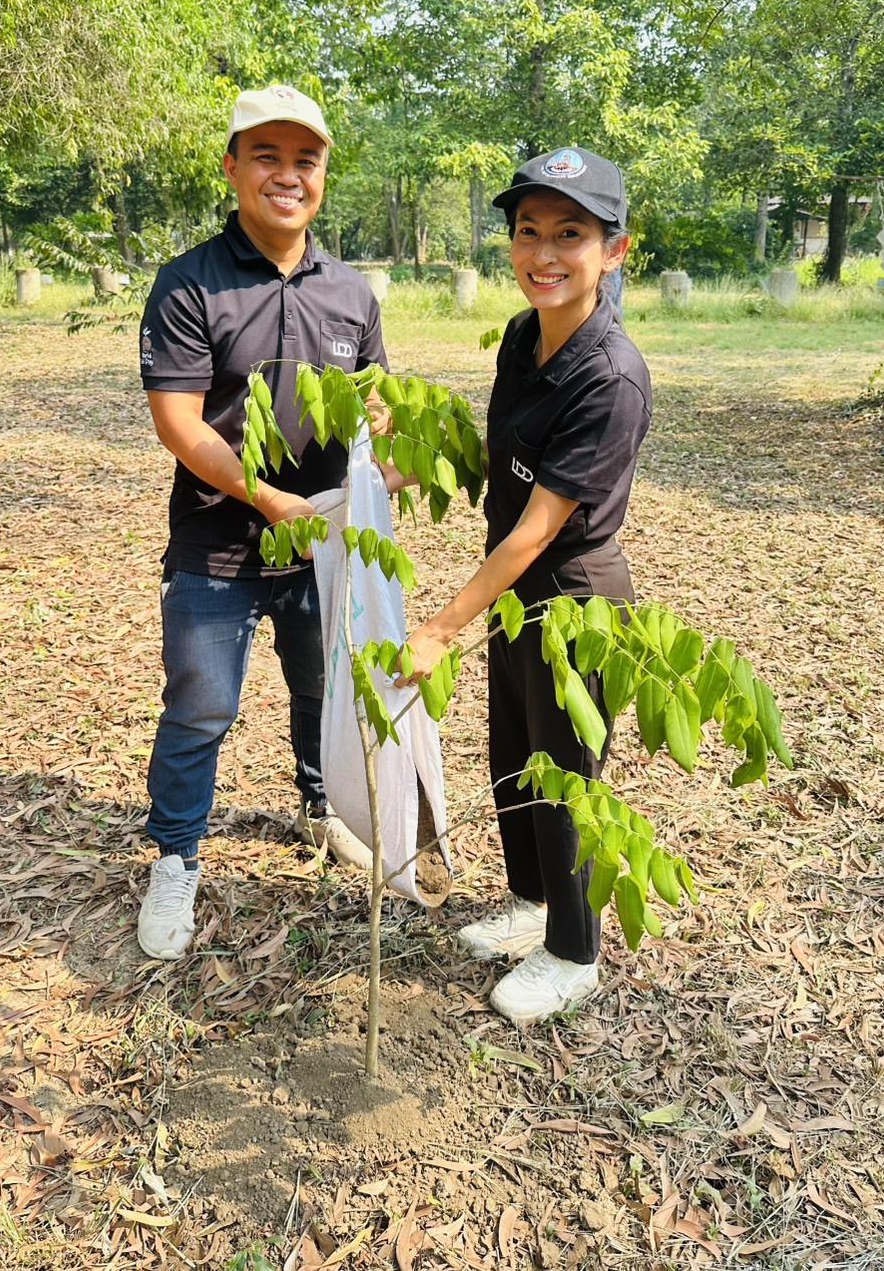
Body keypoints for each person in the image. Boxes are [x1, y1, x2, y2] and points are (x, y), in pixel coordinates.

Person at [137, 84, 388, 960]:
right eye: (268, 156)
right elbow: (180, 422)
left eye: (306, 160)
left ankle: (321, 809)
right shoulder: (190, 283)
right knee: (201, 708)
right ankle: (174, 857)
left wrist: (387, 458)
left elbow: (371, 410)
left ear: (323, 175)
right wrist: (267, 498)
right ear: (232, 166)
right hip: (217, 544)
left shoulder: (352, 293)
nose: (288, 175)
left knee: (322, 693)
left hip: (321, 548)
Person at [401, 146, 652, 1025]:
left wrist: (439, 628)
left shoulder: (610, 377)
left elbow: (538, 527)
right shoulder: (522, 335)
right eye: (528, 231)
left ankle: (576, 951)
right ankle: (531, 904)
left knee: (566, 772)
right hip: (515, 596)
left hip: (572, 600)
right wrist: (422, 463)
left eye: (571, 234)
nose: (544, 253)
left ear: (615, 250)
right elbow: (506, 459)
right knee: (513, 758)